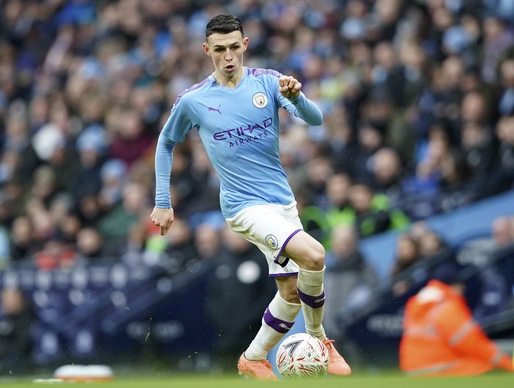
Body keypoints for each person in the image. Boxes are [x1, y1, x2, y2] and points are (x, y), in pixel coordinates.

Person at [150, 14, 351, 380]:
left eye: (233, 48)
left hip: (281, 202)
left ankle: (253, 357)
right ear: (207, 50)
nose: (228, 57)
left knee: (290, 293)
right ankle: (321, 339)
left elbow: (316, 119)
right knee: (315, 254)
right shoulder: (194, 100)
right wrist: (163, 200)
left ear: (244, 45)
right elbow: (166, 142)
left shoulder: (270, 82)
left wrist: (298, 98)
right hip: (243, 207)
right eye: (219, 50)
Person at [399, 263, 514, 376]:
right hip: (438, 367)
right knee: (486, 367)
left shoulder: (420, 303)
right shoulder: (446, 307)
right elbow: (472, 344)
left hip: (413, 369)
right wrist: (508, 364)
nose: (463, 289)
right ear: (455, 286)